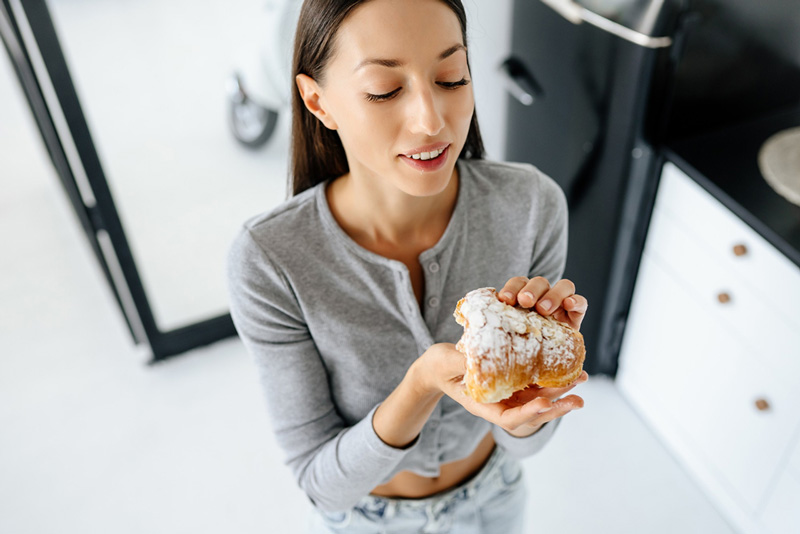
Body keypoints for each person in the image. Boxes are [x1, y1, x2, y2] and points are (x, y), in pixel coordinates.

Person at [226, 0, 589, 532]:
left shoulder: (533, 205)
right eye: (384, 89)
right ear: (317, 101)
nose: (431, 119)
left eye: (452, 77)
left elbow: (525, 444)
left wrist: (532, 393)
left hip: (495, 496)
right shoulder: (269, 261)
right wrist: (421, 385)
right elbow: (322, 485)